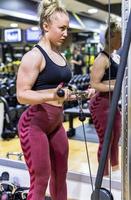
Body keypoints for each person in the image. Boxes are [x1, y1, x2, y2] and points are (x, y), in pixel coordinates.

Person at [16, 0, 76, 199]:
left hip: (56, 124)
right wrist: (53, 94)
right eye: (62, 28)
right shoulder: (34, 56)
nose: (66, 33)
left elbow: (61, 90)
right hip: (34, 124)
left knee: (60, 175)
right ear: (46, 26)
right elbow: (22, 95)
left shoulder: (59, 54)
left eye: (67, 28)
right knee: (41, 179)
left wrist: (79, 94)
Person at [89, 21, 121, 176]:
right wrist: (115, 87)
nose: (121, 41)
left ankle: (114, 172)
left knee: (116, 136)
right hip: (101, 104)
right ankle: (103, 175)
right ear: (111, 37)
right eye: (119, 38)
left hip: (113, 103)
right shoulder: (102, 59)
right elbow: (94, 84)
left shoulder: (115, 57)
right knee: (106, 140)